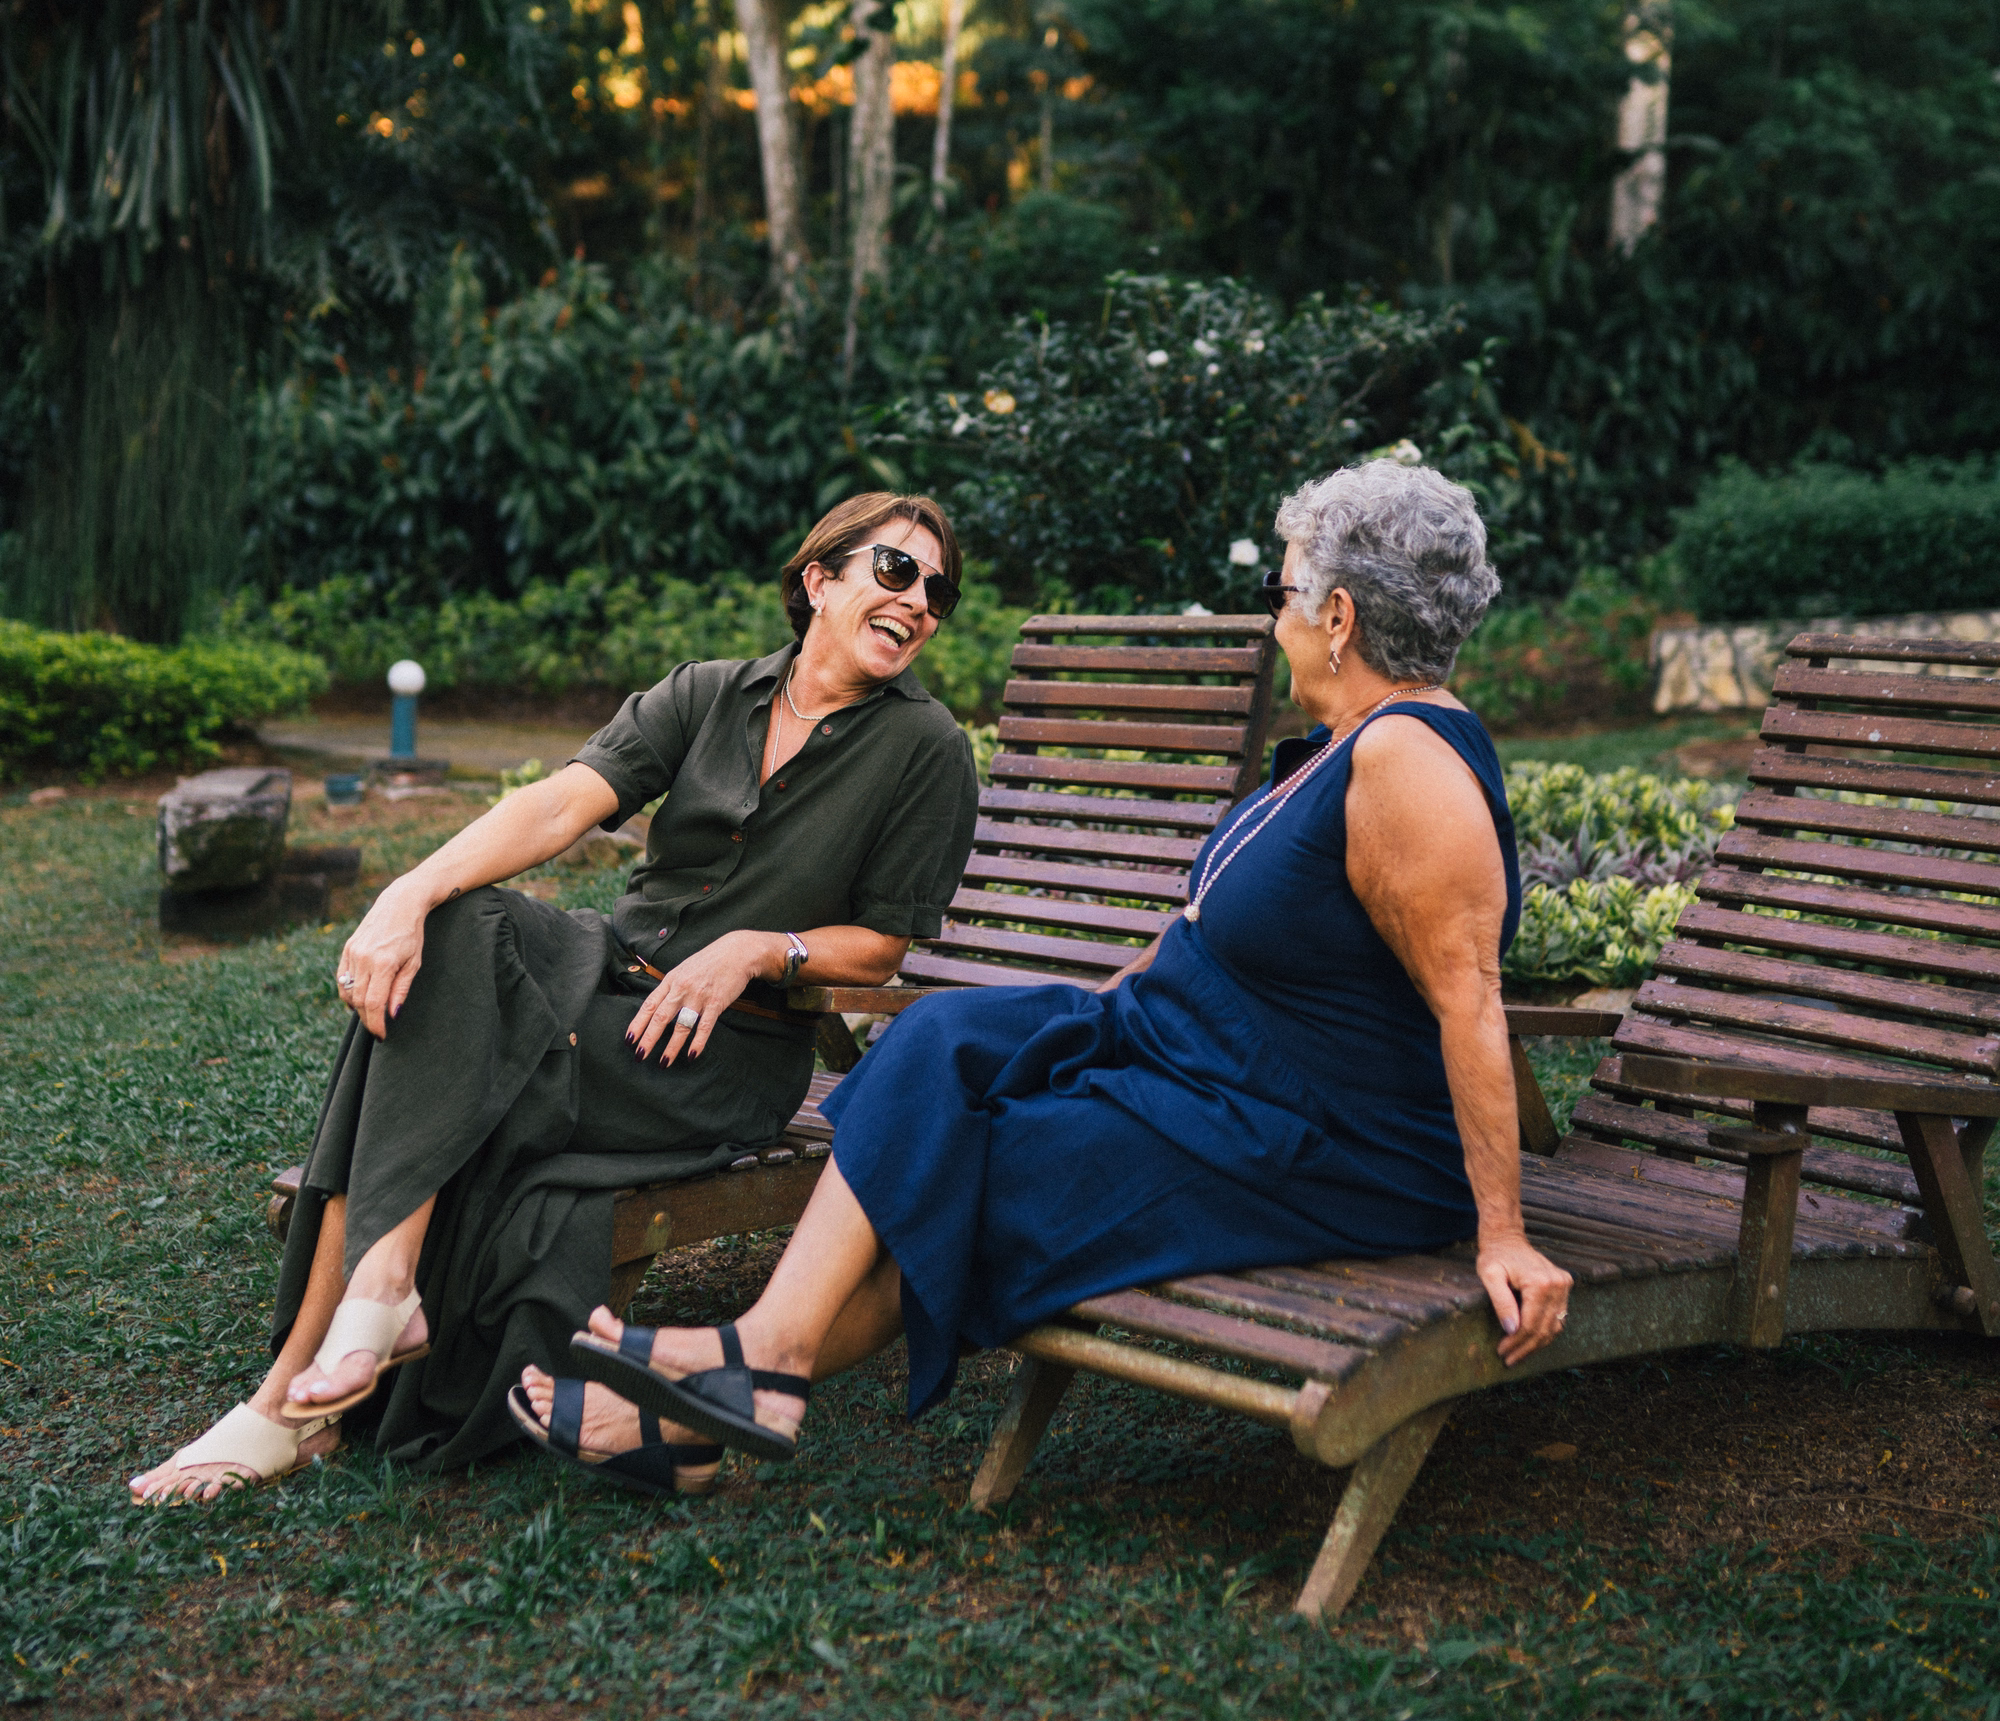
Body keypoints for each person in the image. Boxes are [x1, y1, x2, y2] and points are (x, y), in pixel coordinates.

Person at [528, 458, 1573, 1470]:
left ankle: (737, 1378)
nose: (1272, 615)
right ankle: (759, 1359)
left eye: (1282, 589)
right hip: (1183, 1056)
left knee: (997, 1155)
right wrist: (1087, 1020)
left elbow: (1466, 997)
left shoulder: (1406, 763)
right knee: (939, 1032)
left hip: (1305, 1136)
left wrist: (1502, 1236)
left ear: (1337, 617)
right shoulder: (1345, 746)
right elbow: (1218, 930)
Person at [130, 494, 980, 1503]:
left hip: (723, 1051)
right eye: (895, 570)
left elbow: (883, 941)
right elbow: (559, 801)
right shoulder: (710, 693)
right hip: (603, 979)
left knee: (432, 1046)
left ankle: (285, 1403)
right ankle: (379, 1296)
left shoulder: (925, 748)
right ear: (819, 578)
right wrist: (406, 890)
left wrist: (761, 947)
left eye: (937, 590)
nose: (919, 600)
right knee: (454, 922)